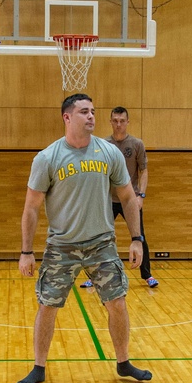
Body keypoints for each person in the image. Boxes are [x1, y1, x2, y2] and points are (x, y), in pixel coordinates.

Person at [16, 93, 153, 383]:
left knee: (117, 302)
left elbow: (128, 198)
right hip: (61, 246)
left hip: (101, 244)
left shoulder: (109, 153)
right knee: (47, 306)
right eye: (83, 112)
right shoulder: (48, 158)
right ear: (67, 117)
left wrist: (137, 238)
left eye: (92, 111)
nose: (91, 116)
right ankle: (39, 367)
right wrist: (26, 251)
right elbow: (31, 207)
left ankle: (123, 362)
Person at [81, 106, 159, 289]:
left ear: (127, 122)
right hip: (107, 200)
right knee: (98, 238)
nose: (118, 124)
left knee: (139, 237)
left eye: (122, 121)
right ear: (110, 122)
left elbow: (144, 170)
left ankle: (147, 275)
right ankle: (93, 277)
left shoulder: (137, 144)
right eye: (115, 121)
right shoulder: (102, 144)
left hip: (129, 200)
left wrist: (141, 195)